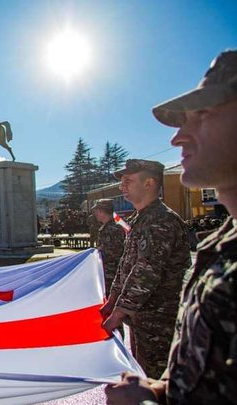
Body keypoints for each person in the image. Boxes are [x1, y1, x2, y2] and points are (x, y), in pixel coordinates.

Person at [105, 50, 237, 404]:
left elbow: (146, 271)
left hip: (154, 317)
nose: (177, 138)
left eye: (203, 115)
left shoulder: (163, 222)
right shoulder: (222, 243)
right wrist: (160, 392)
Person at [101, 159, 191, 379]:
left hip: (161, 319)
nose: (123, 187)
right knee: (144, 376)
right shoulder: (141, 220)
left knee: (158, 380)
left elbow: (145, 271)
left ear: (149, 183)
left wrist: (118, 313)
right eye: (122, 182)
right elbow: (126, 265)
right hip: (144, 318)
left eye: (128, 181)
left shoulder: (161, 221)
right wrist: (112, 301)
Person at [91, 199, 125, 291]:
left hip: (112, 273)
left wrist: (95, 255)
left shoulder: (113, 228)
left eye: (96, 211)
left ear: (101, 211)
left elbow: (114, 253)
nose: (95, 214)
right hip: (108, 272)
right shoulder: (109, 227)